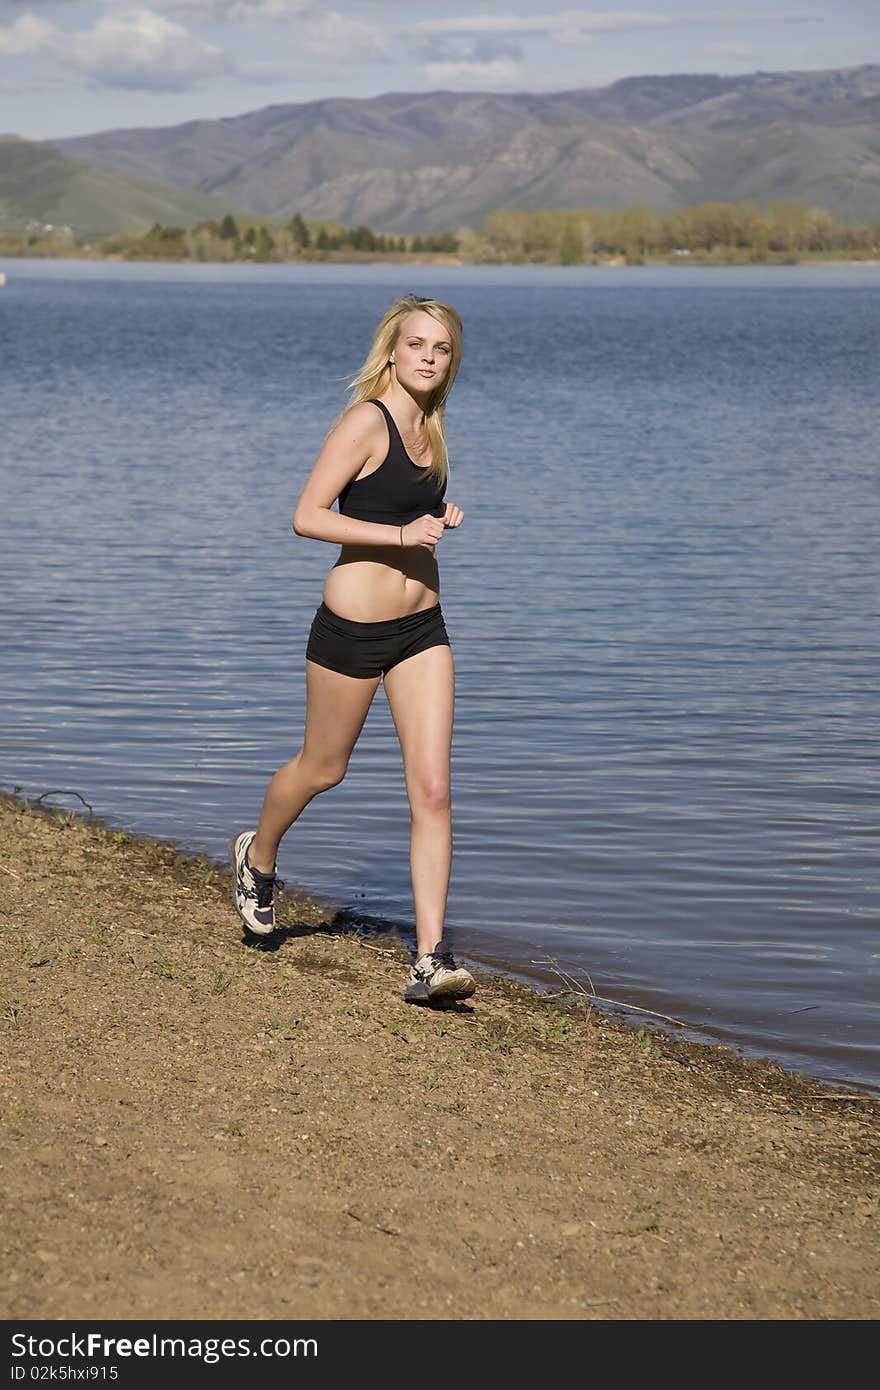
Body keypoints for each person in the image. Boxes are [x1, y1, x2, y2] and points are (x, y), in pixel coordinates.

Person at [230, 293, 475, 1005]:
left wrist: (435, 517)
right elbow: (307, 515)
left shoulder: (431, 424)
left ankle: (429, 958)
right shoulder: (366, 421)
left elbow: (399, 508)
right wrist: (400, 537)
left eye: (442, 349)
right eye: (417, 345)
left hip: (422, 630)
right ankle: (259, 857)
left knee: (433, 790)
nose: (428, 358)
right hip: (352, 631)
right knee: (322, 767)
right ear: (392, 352)